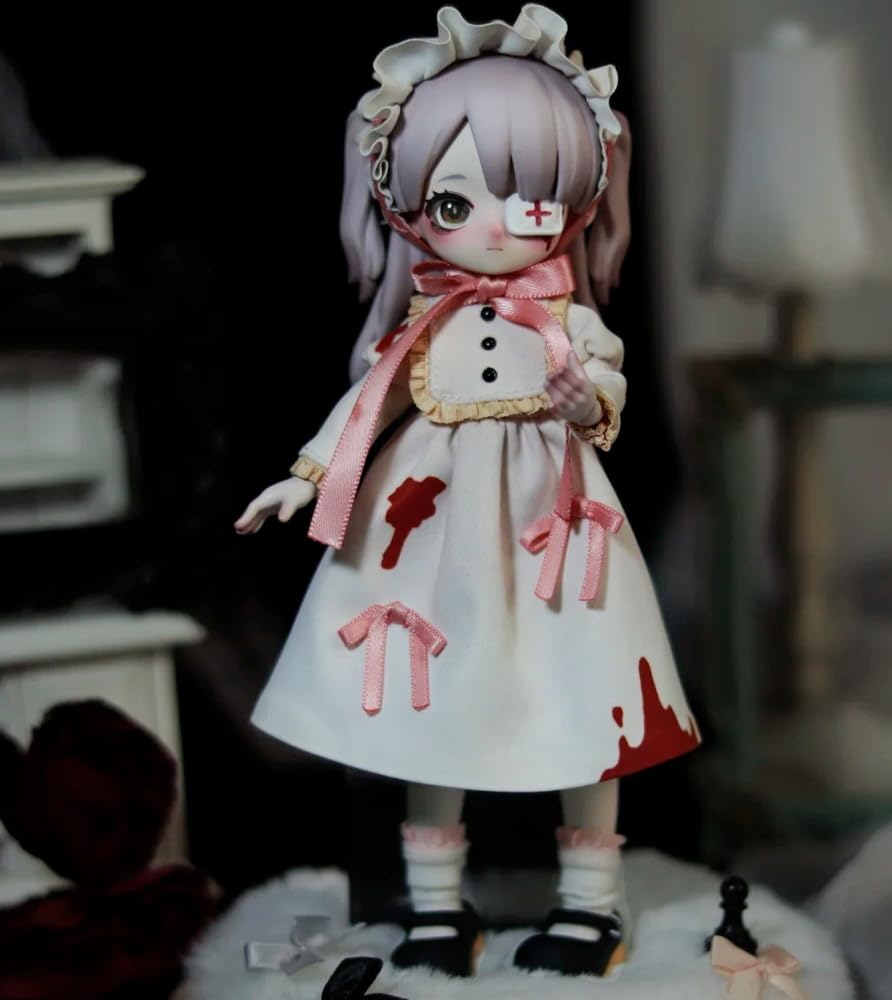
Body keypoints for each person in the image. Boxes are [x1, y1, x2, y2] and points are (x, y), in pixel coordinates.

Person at [235, 3, 699, 979]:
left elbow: (605, 401)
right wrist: (304, 478)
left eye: (531, 201)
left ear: (575, 201)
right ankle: (436, 904)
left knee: (585, 708)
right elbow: (368, 405)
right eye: (455, 204)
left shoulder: (568, 324)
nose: (492, 225)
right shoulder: (424, 325)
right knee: (426, 706)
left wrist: (581, 399)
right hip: (429, 540)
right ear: (408, 205)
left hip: (554, 539)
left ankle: (590, 903)